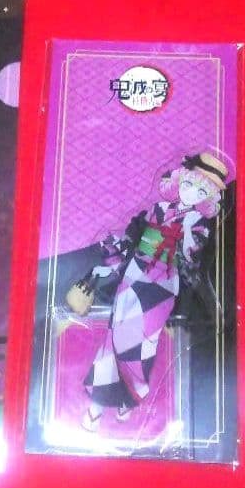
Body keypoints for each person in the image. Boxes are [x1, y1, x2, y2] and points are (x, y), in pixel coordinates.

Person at [78, 152, 229, 431]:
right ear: (179, 181)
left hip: (163, 287)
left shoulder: (199, 225)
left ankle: (129, 398)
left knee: (143, 343)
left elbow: (191, 258)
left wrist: (186, 231)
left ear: (208, 198)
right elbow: (133, 239)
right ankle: (98, 404)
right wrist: (112, 255)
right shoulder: (157, 209)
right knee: (114, 336)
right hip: (135, 275)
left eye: (201, 192)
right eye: (188, 184)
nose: (191, 193)